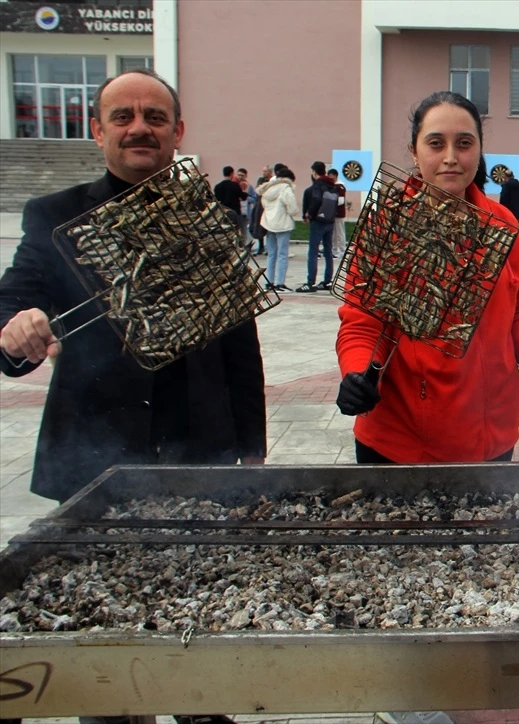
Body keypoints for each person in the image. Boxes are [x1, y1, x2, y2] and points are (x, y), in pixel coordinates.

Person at [0, 67, 261, 724]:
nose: (138, 127)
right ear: (97, 131)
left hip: (195, 459)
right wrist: (16, 329)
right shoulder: (54, 216)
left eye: (153, 116)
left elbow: (239, 346)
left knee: (199, 631)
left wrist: (252, 452)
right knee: (106, 653)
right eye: (122, 117)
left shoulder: (212, 216)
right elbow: (14, 304)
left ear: (178, 132)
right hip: (94, 463)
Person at [335, 90, 519, 467]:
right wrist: (358, 373)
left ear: (479, 149)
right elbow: (362, 323)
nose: (451, 158)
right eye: (436, 143)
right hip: (402, 442)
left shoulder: (502, 225)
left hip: (493, 436)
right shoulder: (387, 226)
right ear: (414, 151)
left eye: (464, 143)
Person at [258, 166, 299, 292]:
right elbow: (293, 210)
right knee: (282, 255)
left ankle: (269, 282)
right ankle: (280, 283)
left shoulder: (267, 189)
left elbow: (264, 205)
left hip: (269, 224)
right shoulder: (286, 190)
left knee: (271, 255)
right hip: (283, 225)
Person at [297, 161, 337, 293]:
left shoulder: (317, 186)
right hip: (330, 222)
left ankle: (310, 282)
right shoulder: (332, 185)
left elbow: (317, 200)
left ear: (314, 172)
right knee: (328, 251)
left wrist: (309, 214)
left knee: (313, 252)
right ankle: (327, 280)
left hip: (318, 221)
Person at [212, 164, 247, 231]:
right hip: (235, 213)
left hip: (222, 213)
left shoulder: (217, 186)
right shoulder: (235, 185)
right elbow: (243, 197)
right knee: (236, 232)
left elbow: (216, 200)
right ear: (232, 174)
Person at [327, 167, 349, 258]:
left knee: (340, 232)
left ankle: (342, 249)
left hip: (339, 214)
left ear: (335, 176)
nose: (329, 178)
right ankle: (334, 249)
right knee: (333, 233)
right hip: (332, 214)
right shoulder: (332, 186)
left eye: (330, 176)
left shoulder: (340, 187)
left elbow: (341, 201)